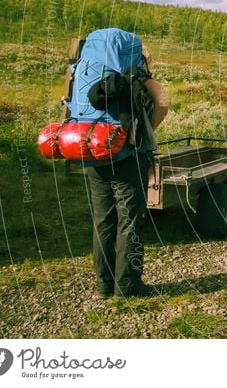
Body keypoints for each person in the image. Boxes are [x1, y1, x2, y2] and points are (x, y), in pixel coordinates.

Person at [67, 30, 170, 298]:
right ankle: (128, 287)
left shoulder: (82, 72)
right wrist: (149, 131)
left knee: (102, 221)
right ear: (136, 56)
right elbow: (163, 102)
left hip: (91, 151)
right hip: (127, 156)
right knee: (130, 222)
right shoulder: (139, 77)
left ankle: (103, 286)